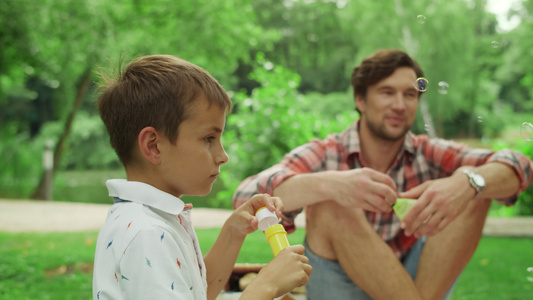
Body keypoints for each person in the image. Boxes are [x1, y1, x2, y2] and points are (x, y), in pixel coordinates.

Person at [233, 49, 533, 300]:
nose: (399, 105)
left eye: (409, 95)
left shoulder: (428, 152)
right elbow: (245, 198)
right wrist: (331, 184)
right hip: (339, 285)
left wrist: (467, 182)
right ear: (360, 100)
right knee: (331, 202)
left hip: (410, 279)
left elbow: (518, 165)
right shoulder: (326, 152)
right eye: (387, 92)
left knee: (475, 183)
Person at [92, 54, 312, 300]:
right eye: (209, 138)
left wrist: (233, 232)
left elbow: (195, 291)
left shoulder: (151, 218)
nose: (223, 156)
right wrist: (267, 287)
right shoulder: (147, 234)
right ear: (154, 146)